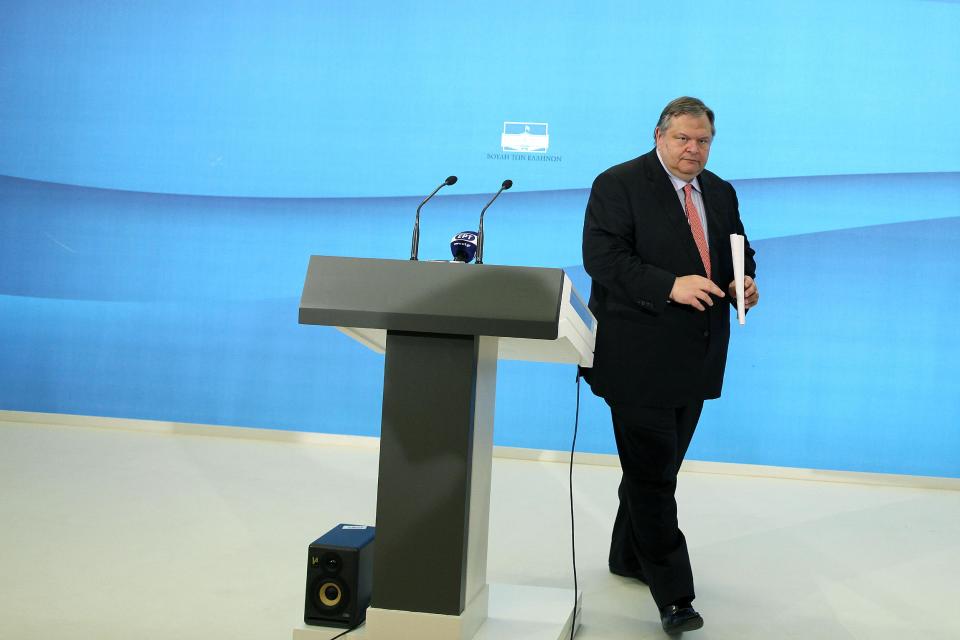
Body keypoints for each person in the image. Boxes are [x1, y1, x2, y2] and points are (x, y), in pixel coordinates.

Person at [580, 96, 759, 634]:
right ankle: (674, 595)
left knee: (653, 469)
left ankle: (626, 556)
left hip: (698, 357)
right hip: (636, 355)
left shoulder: (721, 191)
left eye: (702, 140)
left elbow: (737, 250)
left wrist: (741, 282)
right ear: (659, 135)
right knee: (655, 476)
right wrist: (669, 285)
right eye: (683, 138)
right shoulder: (618, 184)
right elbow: (603, 259)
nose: (693, 149)